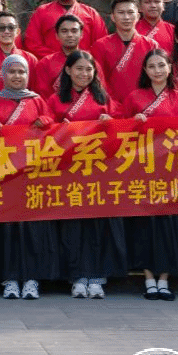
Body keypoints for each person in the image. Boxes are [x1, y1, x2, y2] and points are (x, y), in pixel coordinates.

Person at [48, 50, 125, 299]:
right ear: (68, 70)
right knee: (73, 225)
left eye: (89, 69)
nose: (84, 74)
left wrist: (110, 121)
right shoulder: (55, 100)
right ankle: (77, 276)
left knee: (98, 225)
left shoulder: (104, 98)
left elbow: (123, 126)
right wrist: (58, 128)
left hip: (99, 171)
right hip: (69, 172)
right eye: (79, 69)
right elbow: (45, 132)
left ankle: (98, 276)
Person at [122, 49, 178, 302]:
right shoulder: (134, 97)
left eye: (161, 65)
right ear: (145, 70)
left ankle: (164, 280)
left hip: (171, 169)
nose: (157, 70)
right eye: (152, 66)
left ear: (170, 67)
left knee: (169, 224)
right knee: (145, 224)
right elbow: (120, 132)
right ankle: (149, 278)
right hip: (143, 169)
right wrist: (133, 122)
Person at [0, 54, 56, 301]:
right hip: (3, 173)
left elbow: (51, 122)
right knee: (8, 229)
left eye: (22, 72)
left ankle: (32, 279)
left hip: (31, 173)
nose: (17, 76)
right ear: (3, 75)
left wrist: (43, 121)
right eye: (12, 71)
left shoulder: (36, 100)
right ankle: (9, 279)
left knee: (32, 228)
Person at [22, 0, 108, 58]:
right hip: (51, 65)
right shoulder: (41, 12)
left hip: (83, 64)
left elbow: (101, 45)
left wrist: (80, 59)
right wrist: (57, 59)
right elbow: (32, 44)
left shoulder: (91, 14)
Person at [92, 0, 158, 105]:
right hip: (111, 105)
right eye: (121, 13)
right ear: (113, 17)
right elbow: (97, 80)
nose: (126, 17)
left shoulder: (151, 45)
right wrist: (110, 103)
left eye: (130, 12)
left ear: (138, 16)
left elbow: (157, 79)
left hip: (144, 105)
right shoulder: (100, 45)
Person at [0, 11, 38, 96]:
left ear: (17, 31)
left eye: (11, 27)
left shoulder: (30, 59)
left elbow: (35, 92)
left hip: (24, 103)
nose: (6, 31)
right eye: (1, 28)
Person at [32, 14, 84, 95]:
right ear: (57, 35)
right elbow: (41, 96)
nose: (70, 35)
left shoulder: (91, 62)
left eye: (74, 31)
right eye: (64, 31)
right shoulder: (45, 63)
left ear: (81, 34)